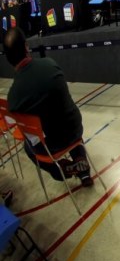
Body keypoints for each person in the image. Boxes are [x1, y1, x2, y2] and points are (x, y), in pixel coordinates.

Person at [4, 28, 93, 187]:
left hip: (51, 145)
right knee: (65, 120)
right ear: (26, 47)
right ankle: (83, 169)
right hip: (74, 128)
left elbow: (15, 123)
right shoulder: (50, 64)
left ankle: (61, 171)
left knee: (28, 146)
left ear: (8, 59)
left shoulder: (14, 96)